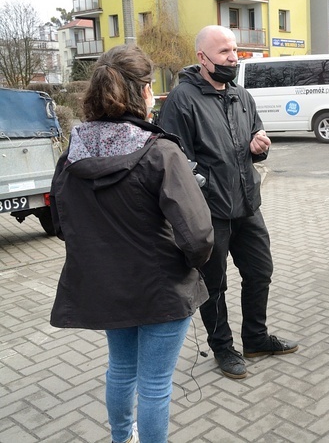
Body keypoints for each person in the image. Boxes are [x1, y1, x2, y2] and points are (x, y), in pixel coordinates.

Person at [49, 44, 214, 443]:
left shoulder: (72, 153)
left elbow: (59, 225)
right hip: (162, 288)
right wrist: (190, 263)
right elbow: (199, 236)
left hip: (107, 287)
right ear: (143, 92)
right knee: (155, 385)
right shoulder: (160, 152)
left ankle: (122, 438)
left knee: (121, 370)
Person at [159, 25, 298, 380]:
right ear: (202, 57)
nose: (233, 58)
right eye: (223, 52)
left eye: (235, 51)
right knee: (214, 284)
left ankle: (255, 338)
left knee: (260, 272)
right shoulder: (183, 100)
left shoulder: (241, 95)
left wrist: (260, 144)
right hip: (210, 213)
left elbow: (256, 134)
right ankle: (223, 347)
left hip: (248, 204)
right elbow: (176, 163)